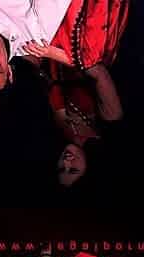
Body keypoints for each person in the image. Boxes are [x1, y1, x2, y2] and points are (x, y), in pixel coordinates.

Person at [19, 0, 129, 188]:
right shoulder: (109, 121)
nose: (67, 162)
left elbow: (41, 73)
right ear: (90, 169)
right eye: (73, 170)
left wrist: (26, 50)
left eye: (61, 168)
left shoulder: (53, 130)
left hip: (49, 39)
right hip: (87, 35)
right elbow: (98, 71)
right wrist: (51, 52)